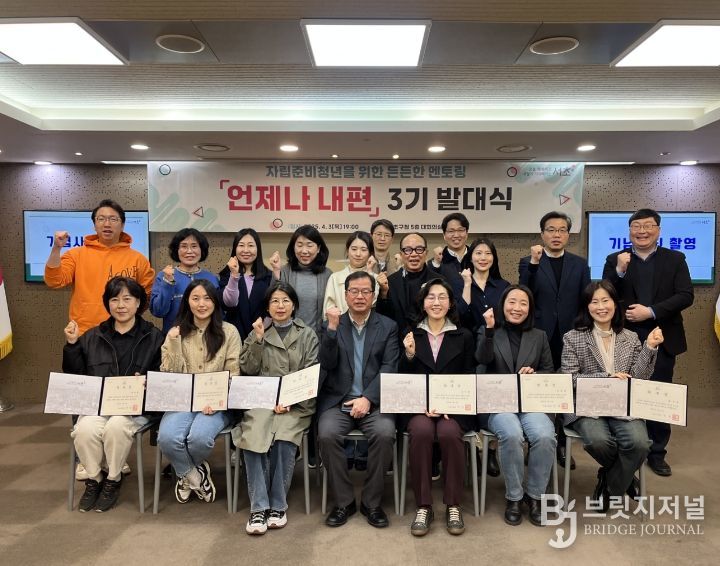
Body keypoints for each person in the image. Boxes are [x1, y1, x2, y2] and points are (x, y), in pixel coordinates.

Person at [602, 208, 694, 477]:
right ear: (629, 231)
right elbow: (604, 295)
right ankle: (626, 449)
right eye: (636, 226)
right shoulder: (616, 259)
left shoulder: (675, 259)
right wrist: (619, 271)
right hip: (624, 338)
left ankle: (657, 453)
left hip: (662, 337)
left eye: (648, 226)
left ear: (658, 230)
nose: (642, 231)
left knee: (658, 394)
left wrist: (651, 311)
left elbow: (685, 295)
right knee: (624, 392)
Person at [63, 277, 164, 512]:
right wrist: (72, 344)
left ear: (138, 303)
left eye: (127, 299)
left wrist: (148, 382)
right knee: (84, 428)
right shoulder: (93, 336)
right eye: (114, 300)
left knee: (116, 426)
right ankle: (95, 478)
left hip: (135, 409)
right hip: (99, 406)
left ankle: (114, 478)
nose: (121, 305)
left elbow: (163, 376)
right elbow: (75, 375)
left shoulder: (153, 337)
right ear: (107, 304)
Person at [561, 280, 663, 509]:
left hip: (622, 405)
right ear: (587, 307)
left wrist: (650, 347)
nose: (601, 307)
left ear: (615, 304)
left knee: (640, 444)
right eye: (594, 302)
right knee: (597, 441)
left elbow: (639, 378)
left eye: (605, 301)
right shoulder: (573, 337)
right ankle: (625, 478)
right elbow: (569, 379)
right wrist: (606, 378)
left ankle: (609, 483)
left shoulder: (631, 337)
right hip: (587, 406)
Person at [235, 282, 319, 535]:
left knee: (284, 439)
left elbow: (310, 374)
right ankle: (258, 507)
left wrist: (290, 400)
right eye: (274, 301)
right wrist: (258, 340)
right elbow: (248, 369)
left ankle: (278, 506)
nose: (280, 306)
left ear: (294, 305)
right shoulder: (258, 331)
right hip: (263, 401)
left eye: (285, 301)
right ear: (267, 306)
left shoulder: (307, 334)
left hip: (296, 404)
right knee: (252, 438)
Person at [318, 271, 399, 528]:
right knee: (327, 434)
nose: (360, 296)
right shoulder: (331, 324)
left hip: (374, 402)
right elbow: (326, 364)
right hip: (339, 401)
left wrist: (368, 398)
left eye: (366, 291)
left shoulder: (388, 326)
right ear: (345, 295)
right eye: (354, 291)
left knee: (385, 433)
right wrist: (331, 330)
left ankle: (371, 503)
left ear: (373, 296)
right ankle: (344, 502)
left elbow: (389, 367)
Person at [400, 278, 476, 537]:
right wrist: (409, 354)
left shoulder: (464, 336)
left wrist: (449, 404)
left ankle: (453, 504)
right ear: (423, 303)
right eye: (431, 297)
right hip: (418, 407)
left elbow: (468, 376)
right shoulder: (411, 334)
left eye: (442, 297)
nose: (436, 302)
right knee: (421, 431)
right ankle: (424, 506)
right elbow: (402, 378)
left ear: (451, 303)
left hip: (452, 408)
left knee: (449, 432)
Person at [475, 284, 556, 527]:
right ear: (503, 305)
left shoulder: (539, 336)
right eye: (512, 302)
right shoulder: (488, 330)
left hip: (531, 403)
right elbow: (482, 359)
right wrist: (490, 331)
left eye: (523, 303)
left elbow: (549, 371)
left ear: (530, 308)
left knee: (545, 435)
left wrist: (535, 374)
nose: (517, 308)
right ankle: (514, 497)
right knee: (511, 434)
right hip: (498, 403)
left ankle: (535, 496)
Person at [157, 279, 241, 505]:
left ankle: (185, 473)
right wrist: (174, 342)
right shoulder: (175, 333)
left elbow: (234, 373)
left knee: (199, 439)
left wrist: (216, 400)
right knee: (166, 438)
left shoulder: (229, 332)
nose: (201, 304)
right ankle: (194, 474)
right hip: (183, 401)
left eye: (207, 298)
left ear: (215, 302)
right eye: (195, 298)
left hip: (216, 404)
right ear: (187, 302)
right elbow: (170, 374)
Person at [518, 211, 590, 470]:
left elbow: (586, 300)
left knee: (566, 390)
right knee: (539, 389)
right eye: (551, 230)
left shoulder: (579, 264)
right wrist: (534, 264)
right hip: (539, 335)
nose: (556, 235)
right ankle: (536, 442)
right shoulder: (528, 261)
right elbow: (524, 293)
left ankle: (561, 444)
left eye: (562, 230)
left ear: (568, 235)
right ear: (542, 234)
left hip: (570, 336)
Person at [44, 199, 155, 335]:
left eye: (113, 219)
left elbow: (147, 296)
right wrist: (56, 248)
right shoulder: (76, 255)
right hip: (84, 332)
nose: (107, 224)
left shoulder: (138, 259)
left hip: (124, 333)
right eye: (101, 219)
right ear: (94, 225)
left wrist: (128, 318)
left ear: (122, 225)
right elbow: (54, 281)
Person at [150, 228, 219, 335]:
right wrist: (168, 283)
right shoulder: (164, 276)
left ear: (202, 250)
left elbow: (218, 313)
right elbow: (158, 311)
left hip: (207, 337)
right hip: (174, 338)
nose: (189, 251)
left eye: (194, 246)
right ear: (176, 250)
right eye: (184, 246)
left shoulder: (211, 278)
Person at [377, 233, 443, 338]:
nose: (413, 254)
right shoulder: (390, 282)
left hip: (431, 341)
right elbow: (383, 318)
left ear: (426, 253)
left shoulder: (439, 282)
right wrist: (384, 294)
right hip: (397, 342)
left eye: (419, 249)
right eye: (408, 250)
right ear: (401, 254)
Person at [218, 228, 274, 341]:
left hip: (262, 335)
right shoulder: (226, 274)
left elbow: (272, 307)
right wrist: (234, 276)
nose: (246, 250)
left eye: (251, 245)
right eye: (241, 245)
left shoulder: (268, 276)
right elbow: (229, 303)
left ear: (258, 248)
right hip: (233, 337)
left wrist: (259, 332)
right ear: (235, 248)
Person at [275, 225, 332, 335]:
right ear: (293, 247)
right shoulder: (285, 271)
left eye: (309, 245)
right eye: (299, 245)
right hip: (288, 337)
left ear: (318, 248)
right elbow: (273, 302)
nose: (304, 251)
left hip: (317, 338)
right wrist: (276, 273)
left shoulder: (327, 275)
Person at [457, 237, 510, 331]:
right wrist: (467, 285)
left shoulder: (504, 286)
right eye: (478, 253)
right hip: (469, 338)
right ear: (470, 258)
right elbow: (460, 316)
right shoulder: (460, 285)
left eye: (488, 253)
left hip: (497, 338)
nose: (483, 258)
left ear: (493, 258)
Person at [323, 230, 378, 316]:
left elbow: (372, 303)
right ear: (347, 251)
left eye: (363, 250)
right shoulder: (335, 278)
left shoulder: (376, 278)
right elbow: (328, 310)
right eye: (354, 249)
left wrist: (370, 273)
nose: (358, 254)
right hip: (340, 323)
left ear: (370, 253)